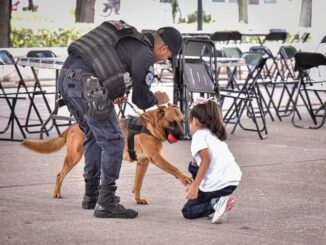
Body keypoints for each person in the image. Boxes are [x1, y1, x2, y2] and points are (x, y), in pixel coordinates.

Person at [57, 20, 182, 219]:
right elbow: (140, 99)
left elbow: (106, 65)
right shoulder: (145, 54)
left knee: (93, 133)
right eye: (168, 57)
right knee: (114, 140)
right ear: (163, 47)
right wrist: (157, 98)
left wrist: (112, 89)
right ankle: (106, 202)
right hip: (86, 84)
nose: (165, 60)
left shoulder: (132, 40)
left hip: (66, 79)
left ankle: (91, 195)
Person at [181, 97, 242, 223]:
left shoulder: (198, 136)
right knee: (193, 164)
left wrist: (195, 186)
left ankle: (217, 203)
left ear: (195, 121)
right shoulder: (213, 134)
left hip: (219, 183)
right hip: (232, 179)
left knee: (188, 211)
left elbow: (206, 160)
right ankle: (218, 203)